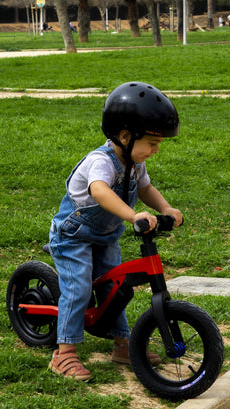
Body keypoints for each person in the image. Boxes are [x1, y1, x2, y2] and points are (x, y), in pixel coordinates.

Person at [48, 82, 183, 381]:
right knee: (79, 289)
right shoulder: (100, 162)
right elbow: (99, 192)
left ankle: (123, 343)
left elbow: (146, 188)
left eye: (158, 144)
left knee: (117, 287)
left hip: (105, 236)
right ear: (125, 136)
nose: (155, 150)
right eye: (151, 142)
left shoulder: (134, 163)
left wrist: (167, 209)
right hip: (73, 236)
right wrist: (133, 215)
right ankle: (64, 353)